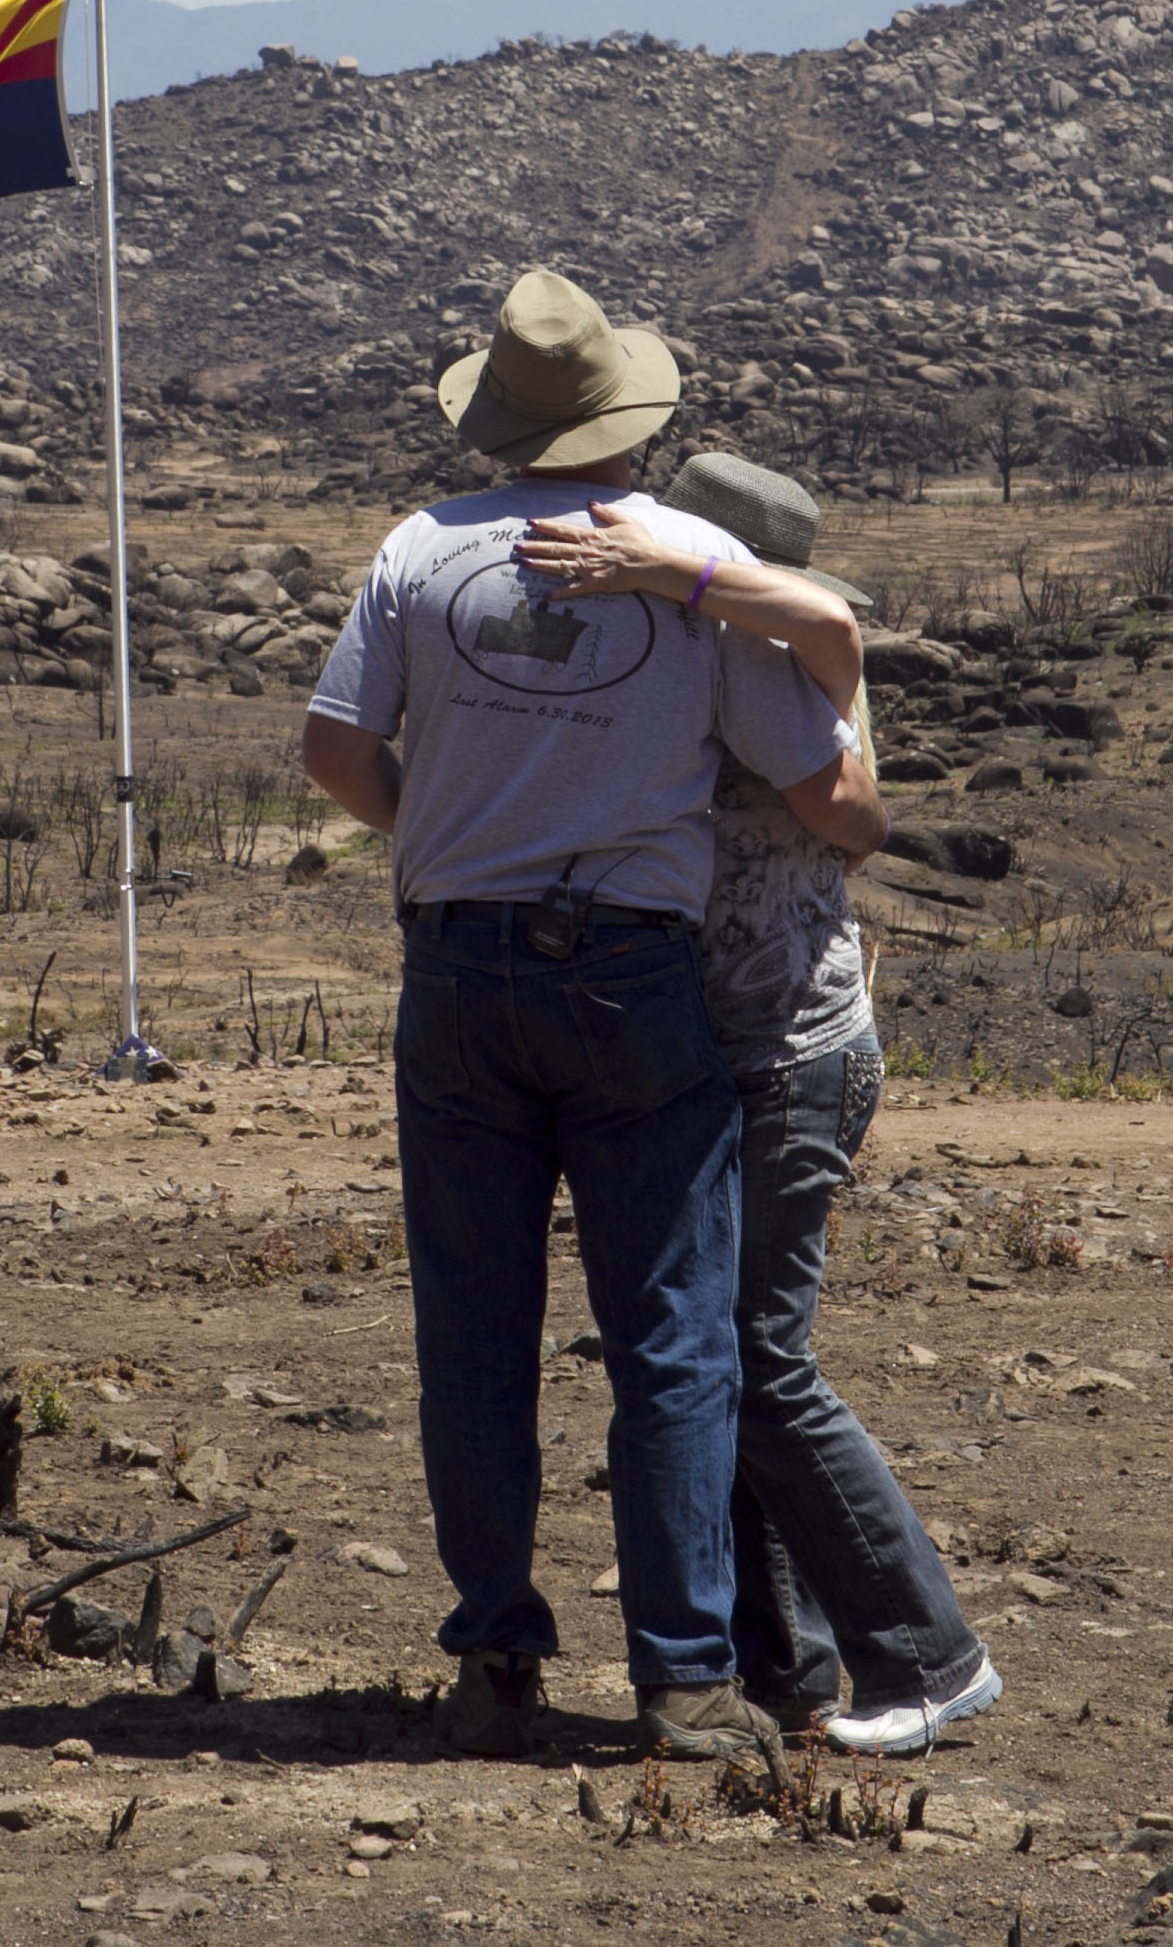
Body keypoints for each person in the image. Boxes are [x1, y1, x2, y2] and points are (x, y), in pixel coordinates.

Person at [303, 271, 888, 1762]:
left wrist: (439, 840)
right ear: (629, 416)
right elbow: (829, 798)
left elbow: (330, 746)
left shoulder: (417, 551)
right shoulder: (688, 557)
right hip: (629, 972)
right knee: (673, 1335)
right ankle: (682, 1676)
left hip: (455, 967)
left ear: (497, 412)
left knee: (474, 1328)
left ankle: (494, 1649)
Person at [516, 451, 1001, 1756]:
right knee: (703, 1361)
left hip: (791, 1043)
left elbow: (851, 801)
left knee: (751, 1358)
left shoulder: (797, 657)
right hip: (696, 1050)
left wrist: (680, 576)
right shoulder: (670, 663)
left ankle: (925, 1647)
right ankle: (781, 1665)